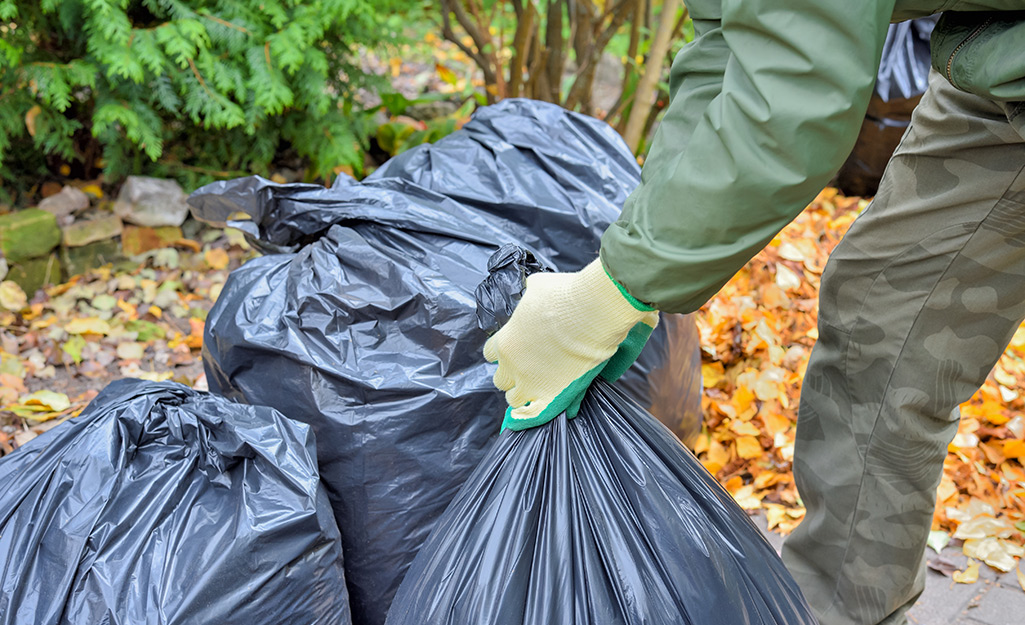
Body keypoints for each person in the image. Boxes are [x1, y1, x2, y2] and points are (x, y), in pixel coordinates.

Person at [482, 3, 1025, 624]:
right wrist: (630, 275)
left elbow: (794, 96)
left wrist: (611, 291)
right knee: (883, 311)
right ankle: (839, 611)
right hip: (997, 60)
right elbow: (727, 54)